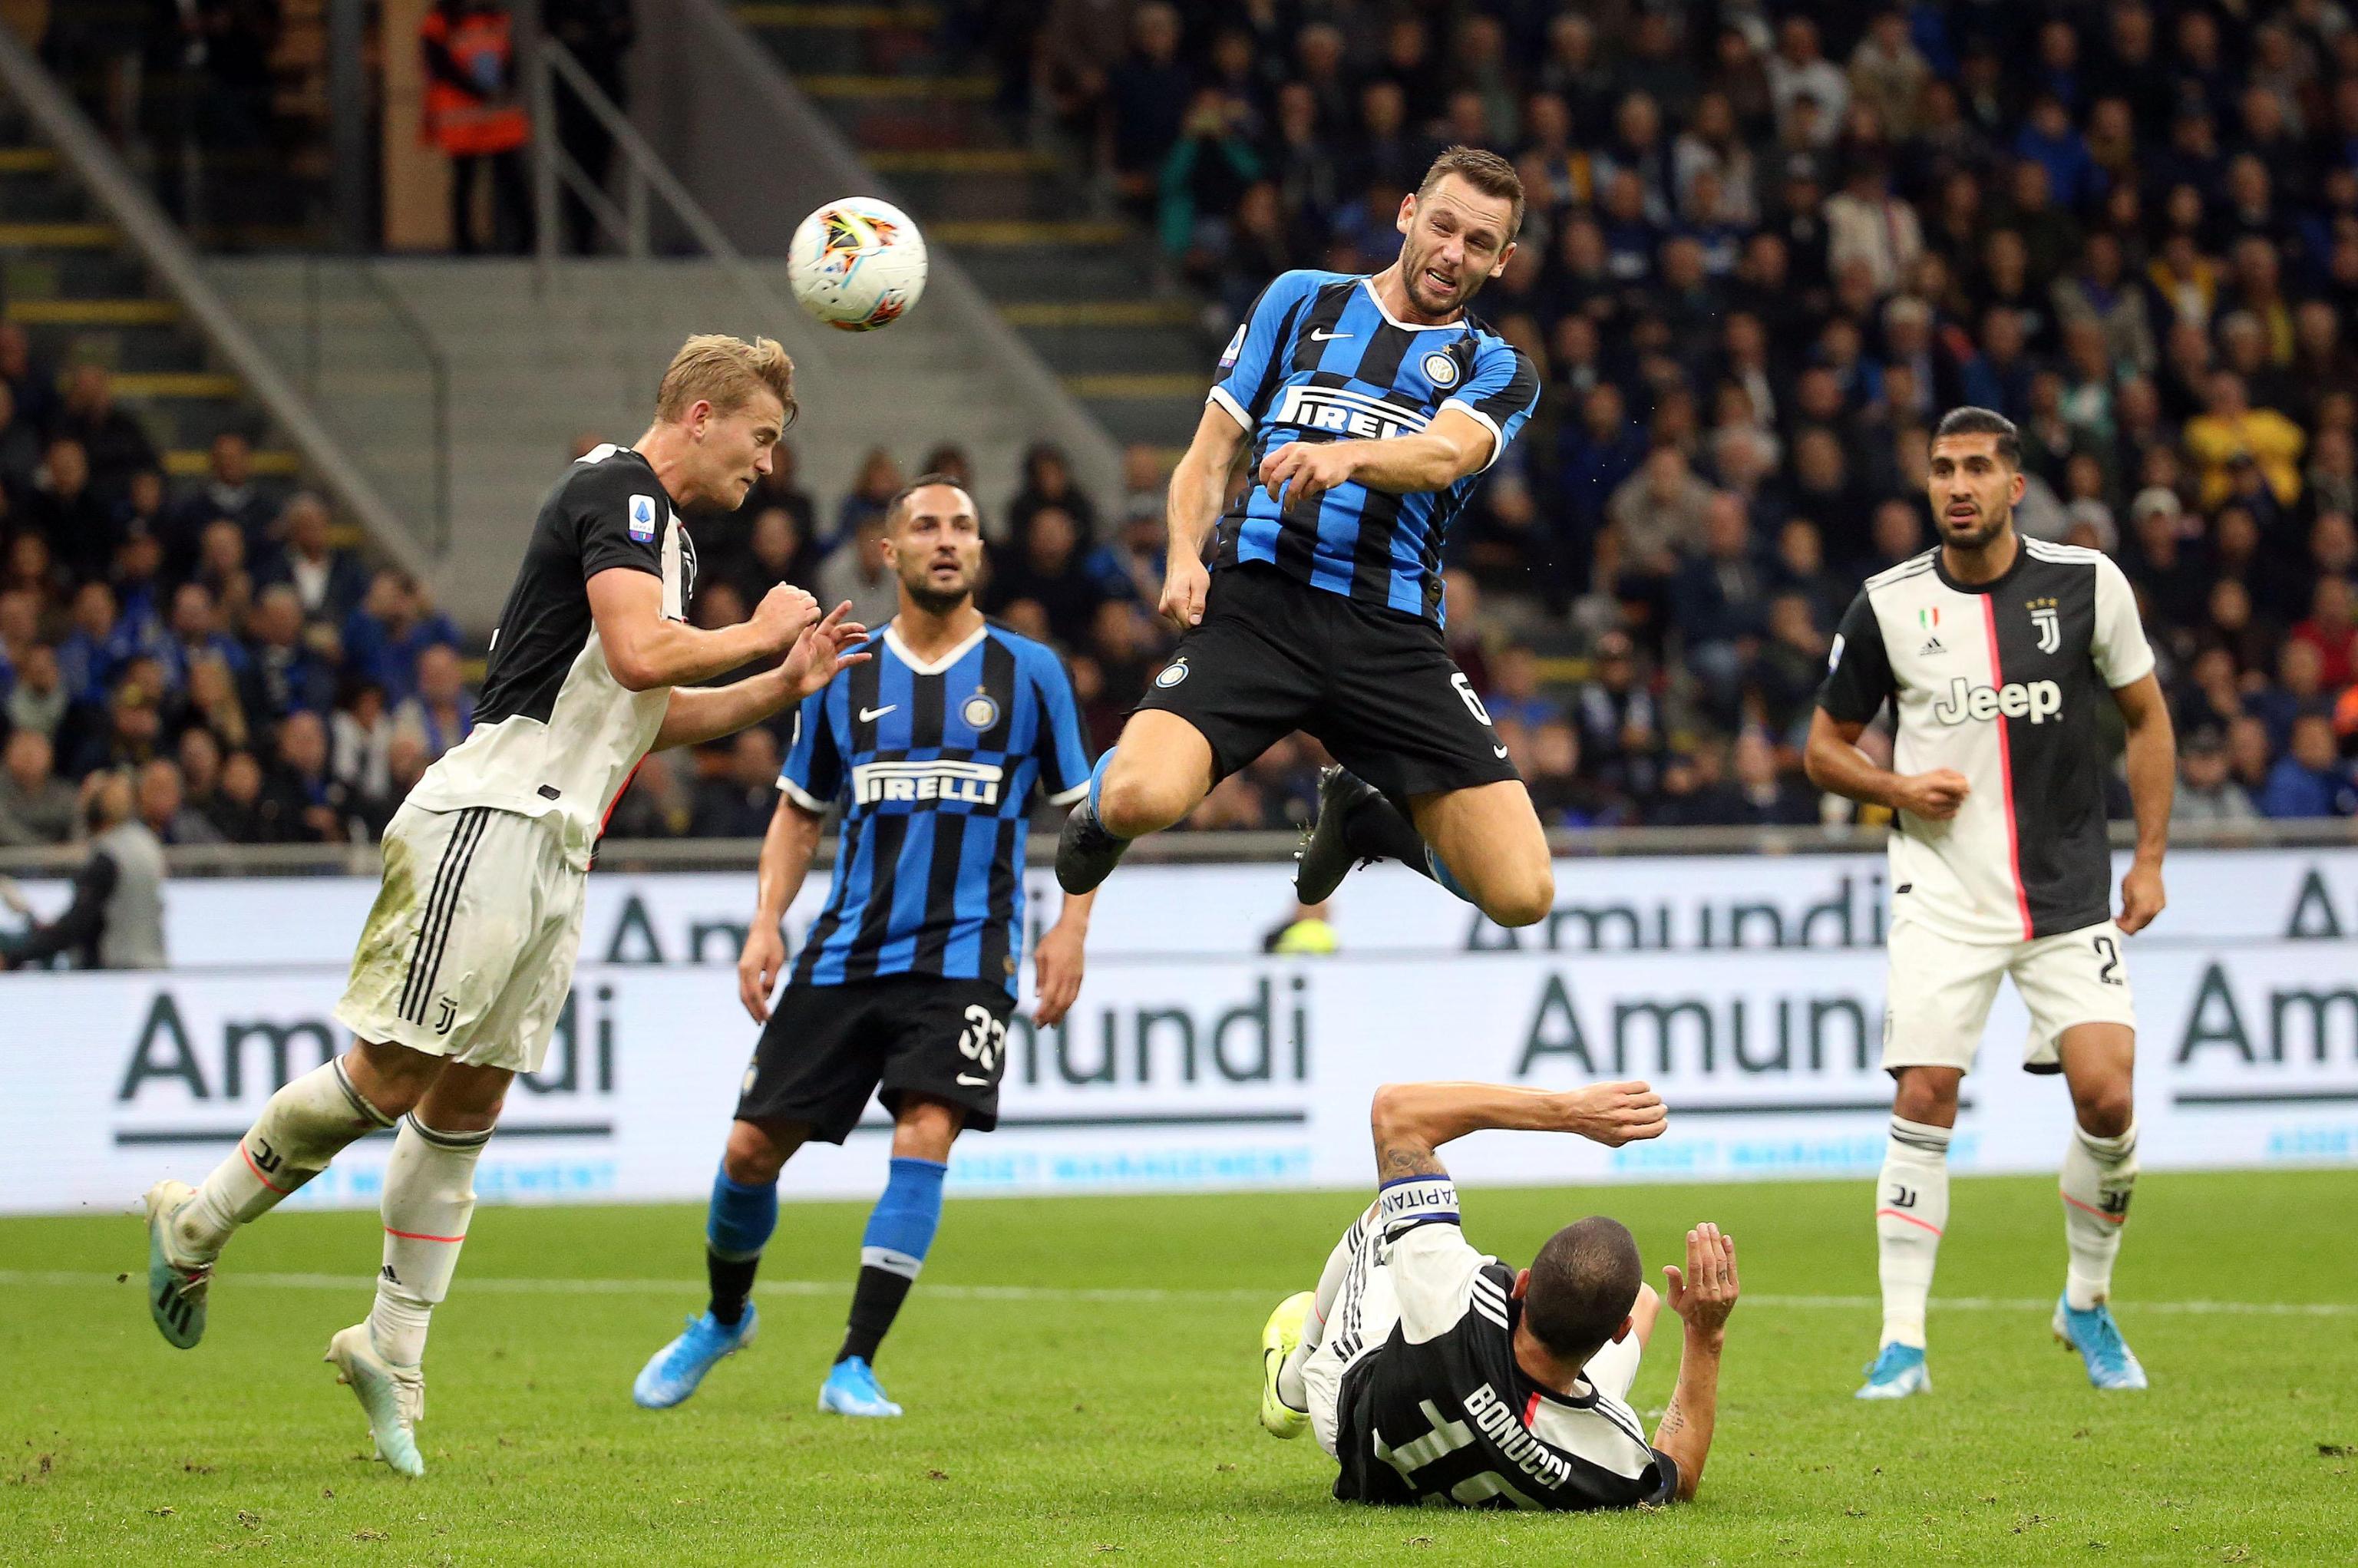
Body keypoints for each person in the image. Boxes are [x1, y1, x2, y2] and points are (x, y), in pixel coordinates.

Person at [137, 335, 867, 1478]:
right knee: (387, 1074)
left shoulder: (661, 537)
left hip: (558, 843)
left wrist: (778, 684)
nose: (767, 467)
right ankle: (198, 1220)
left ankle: (391, 1348)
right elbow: (636, 657)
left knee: (467, 1104)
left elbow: (641, 711)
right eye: (762, 438)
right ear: (703, 413)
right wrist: (760, 630)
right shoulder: (613, 487)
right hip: (492, 816)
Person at [632, 477, 1096, 1420]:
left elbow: (1086, 817)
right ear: (887, 553)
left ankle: (854, 1363)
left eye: (963, 526)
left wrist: (1071, 927)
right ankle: (725, 1318)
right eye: (925, 526)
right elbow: (799, 815)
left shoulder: (1030, 672)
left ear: (980, 551)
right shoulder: (848, 670)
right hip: (846, 953)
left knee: (927, 1130)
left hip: (969, 957)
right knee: (751, 1148)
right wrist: (767, 921)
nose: (946, 540)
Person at [1055, 147, 1551, 932]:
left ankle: (1370, 823)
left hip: (1390, 638)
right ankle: (1104, 815)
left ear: (1502, 262)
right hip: (1259, 612)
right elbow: (1210, 454)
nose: (1454, 253)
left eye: (1480, 244)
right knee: (1136, 798)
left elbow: (1448, 454)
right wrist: (1184, 556)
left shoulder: (1498, 366)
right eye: (1444, 226)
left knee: (1525, 895)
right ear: (1407, 215)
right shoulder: (1298, 300)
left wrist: (1348, 455)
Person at [1805, 408, 2176, 1398]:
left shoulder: (2087, 583)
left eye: (1977, 468)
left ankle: (2086, 1303)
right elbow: (1823, 747)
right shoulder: (1886, 603)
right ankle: (1901, 1342)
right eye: (1941, 469)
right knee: (1925, 1091)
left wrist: (2148, 858)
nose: (1957, 484)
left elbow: (2147, 716)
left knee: (2108, 1094)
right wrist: (1897, 788)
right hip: (1944, 892)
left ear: (2016, 486)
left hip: (2065, 890)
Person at [1257, 1079, 1740, 1512]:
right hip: (1541, 1434)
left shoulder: (1461, 1299)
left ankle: (1292, 1383)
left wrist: (1568, 1111)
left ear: (1523, 1285)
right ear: (1619, 1334)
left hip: (1356, 1423)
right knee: (1642, 1298)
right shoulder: (1613, 1457)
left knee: (1392, 1212)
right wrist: (1705, 1332)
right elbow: (1679, 1472)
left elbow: (1397, 1110)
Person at [0, 769, 165, 970]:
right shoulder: (146, 842)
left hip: (115, 969)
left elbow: (76, 925)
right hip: (152, 964)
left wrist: (13, 956)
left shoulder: (108, 856)